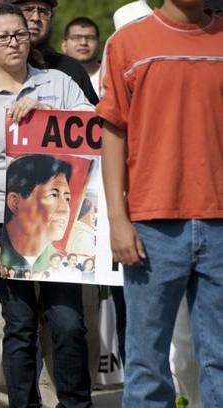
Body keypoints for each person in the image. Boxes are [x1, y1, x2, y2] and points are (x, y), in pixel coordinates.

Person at [0, 4, 94, 407]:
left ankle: (77, 403)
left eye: (21, 34)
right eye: (4, 37)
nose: (15, 42)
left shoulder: (58, 83)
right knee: (19, 328)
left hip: (61, 225)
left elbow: (96, 129)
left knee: (68, 325)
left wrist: (51, 115)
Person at [98, 0, 223, 406]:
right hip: (151, 224)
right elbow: (113, 132)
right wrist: (118, 219)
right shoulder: (128, 43)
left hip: (221, 223)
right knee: (147, 362)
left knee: (219, 358)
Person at [1, 155, 73, 276]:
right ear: (15, 203)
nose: (64, 209)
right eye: (53, 195)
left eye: (67, 198)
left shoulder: (63, 267)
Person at [61, 17, 101, 96]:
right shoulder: (55, 77)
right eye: (76, 38)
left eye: (90, 38)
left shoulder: (111, 76)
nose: (83, 43)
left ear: (99, 44)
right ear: (64, 45)